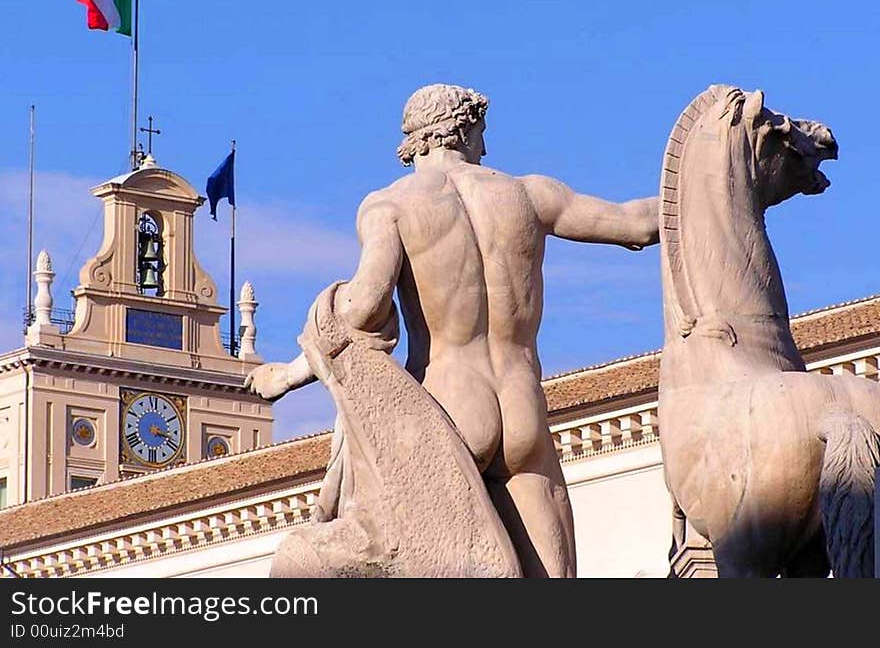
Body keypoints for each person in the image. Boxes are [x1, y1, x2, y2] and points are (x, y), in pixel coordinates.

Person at [246, 84, 659, 577]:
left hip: (449, 410)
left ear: (415, 141)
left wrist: (294, 369)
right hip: (523, 408)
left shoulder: (390, 207)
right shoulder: (531, 194)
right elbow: (637, 223)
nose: (485, 147)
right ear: (463, 130)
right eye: (482, 133)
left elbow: (362, 309)